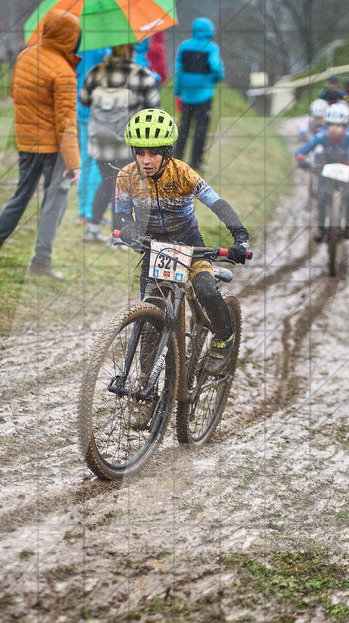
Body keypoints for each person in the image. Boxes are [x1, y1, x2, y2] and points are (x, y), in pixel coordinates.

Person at [114, 108, 249, 378]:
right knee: (151, 318)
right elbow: (120, 216)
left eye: (153, 153)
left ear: (167, 152)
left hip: (189, 244)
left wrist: (240, 236)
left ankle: (223, 343)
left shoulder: (183, 173)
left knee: (206, 290)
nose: (146, 160)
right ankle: (144, 384)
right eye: (139, 152)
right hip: (154, 248)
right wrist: (127, 231)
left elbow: (216, 203)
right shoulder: (126, 177)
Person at [0, 9, 81, 279]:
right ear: (69, 37)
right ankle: (41, 261)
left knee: (20, 196)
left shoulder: (24, 56)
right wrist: (74, 163)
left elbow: (14, 93)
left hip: (26, 143)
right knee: (53, 203)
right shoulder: (63, 72)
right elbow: (66, 123)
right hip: (54, 150)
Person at [78, 43, 160, 243]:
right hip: (127, 142)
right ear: (132, 50)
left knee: (107, 183)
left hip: (100, 141)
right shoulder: (141, 75)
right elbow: (154, 108)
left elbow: (84, 100)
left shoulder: (96, 72)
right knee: (123, 189)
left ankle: (92, 228)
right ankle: (119, 238)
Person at [294, 103, 349, 241]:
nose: (335, 128)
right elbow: (303, 150)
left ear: (345, 126)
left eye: (339, 125)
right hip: (326, 170)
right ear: (327, 124)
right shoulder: (320, 136)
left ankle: (348, 226)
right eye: (332, 124)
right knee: (322, 198)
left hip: (345, 170)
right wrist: (301, 159)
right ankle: (321, 229)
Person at [173, 18, 224, 172]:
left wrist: (177, 90)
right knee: (201, 127)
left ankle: (177, 157)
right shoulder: (211, 48)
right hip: (204, 92)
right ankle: (196, 161)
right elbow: (216, 66)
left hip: (186, 92)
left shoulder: (184, 46)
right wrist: (215, 78)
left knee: (184, 126)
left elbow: (178, 70)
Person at [75, 47, 110, 230]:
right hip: (98, 112)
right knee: (98, 163)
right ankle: (90, 213)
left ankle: (83, 211)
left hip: (81, 107)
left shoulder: (78, 43)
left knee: (85, 161)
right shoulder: (104, 48)